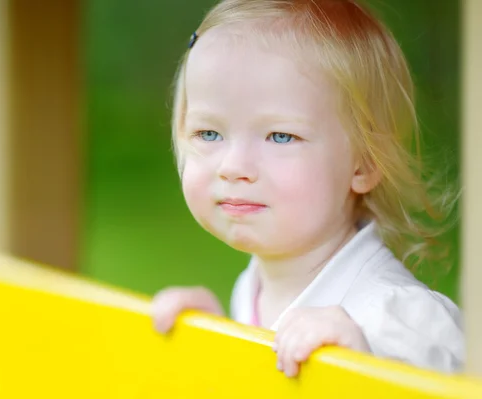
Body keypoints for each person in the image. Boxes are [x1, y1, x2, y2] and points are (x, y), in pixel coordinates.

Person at [151, 0, 464, 377]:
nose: (233, 167)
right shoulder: (252, 287)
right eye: (208, 133)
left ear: (365, 163)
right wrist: (217, 342)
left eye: (280, 136)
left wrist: (363, 367)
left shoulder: (401, 319)